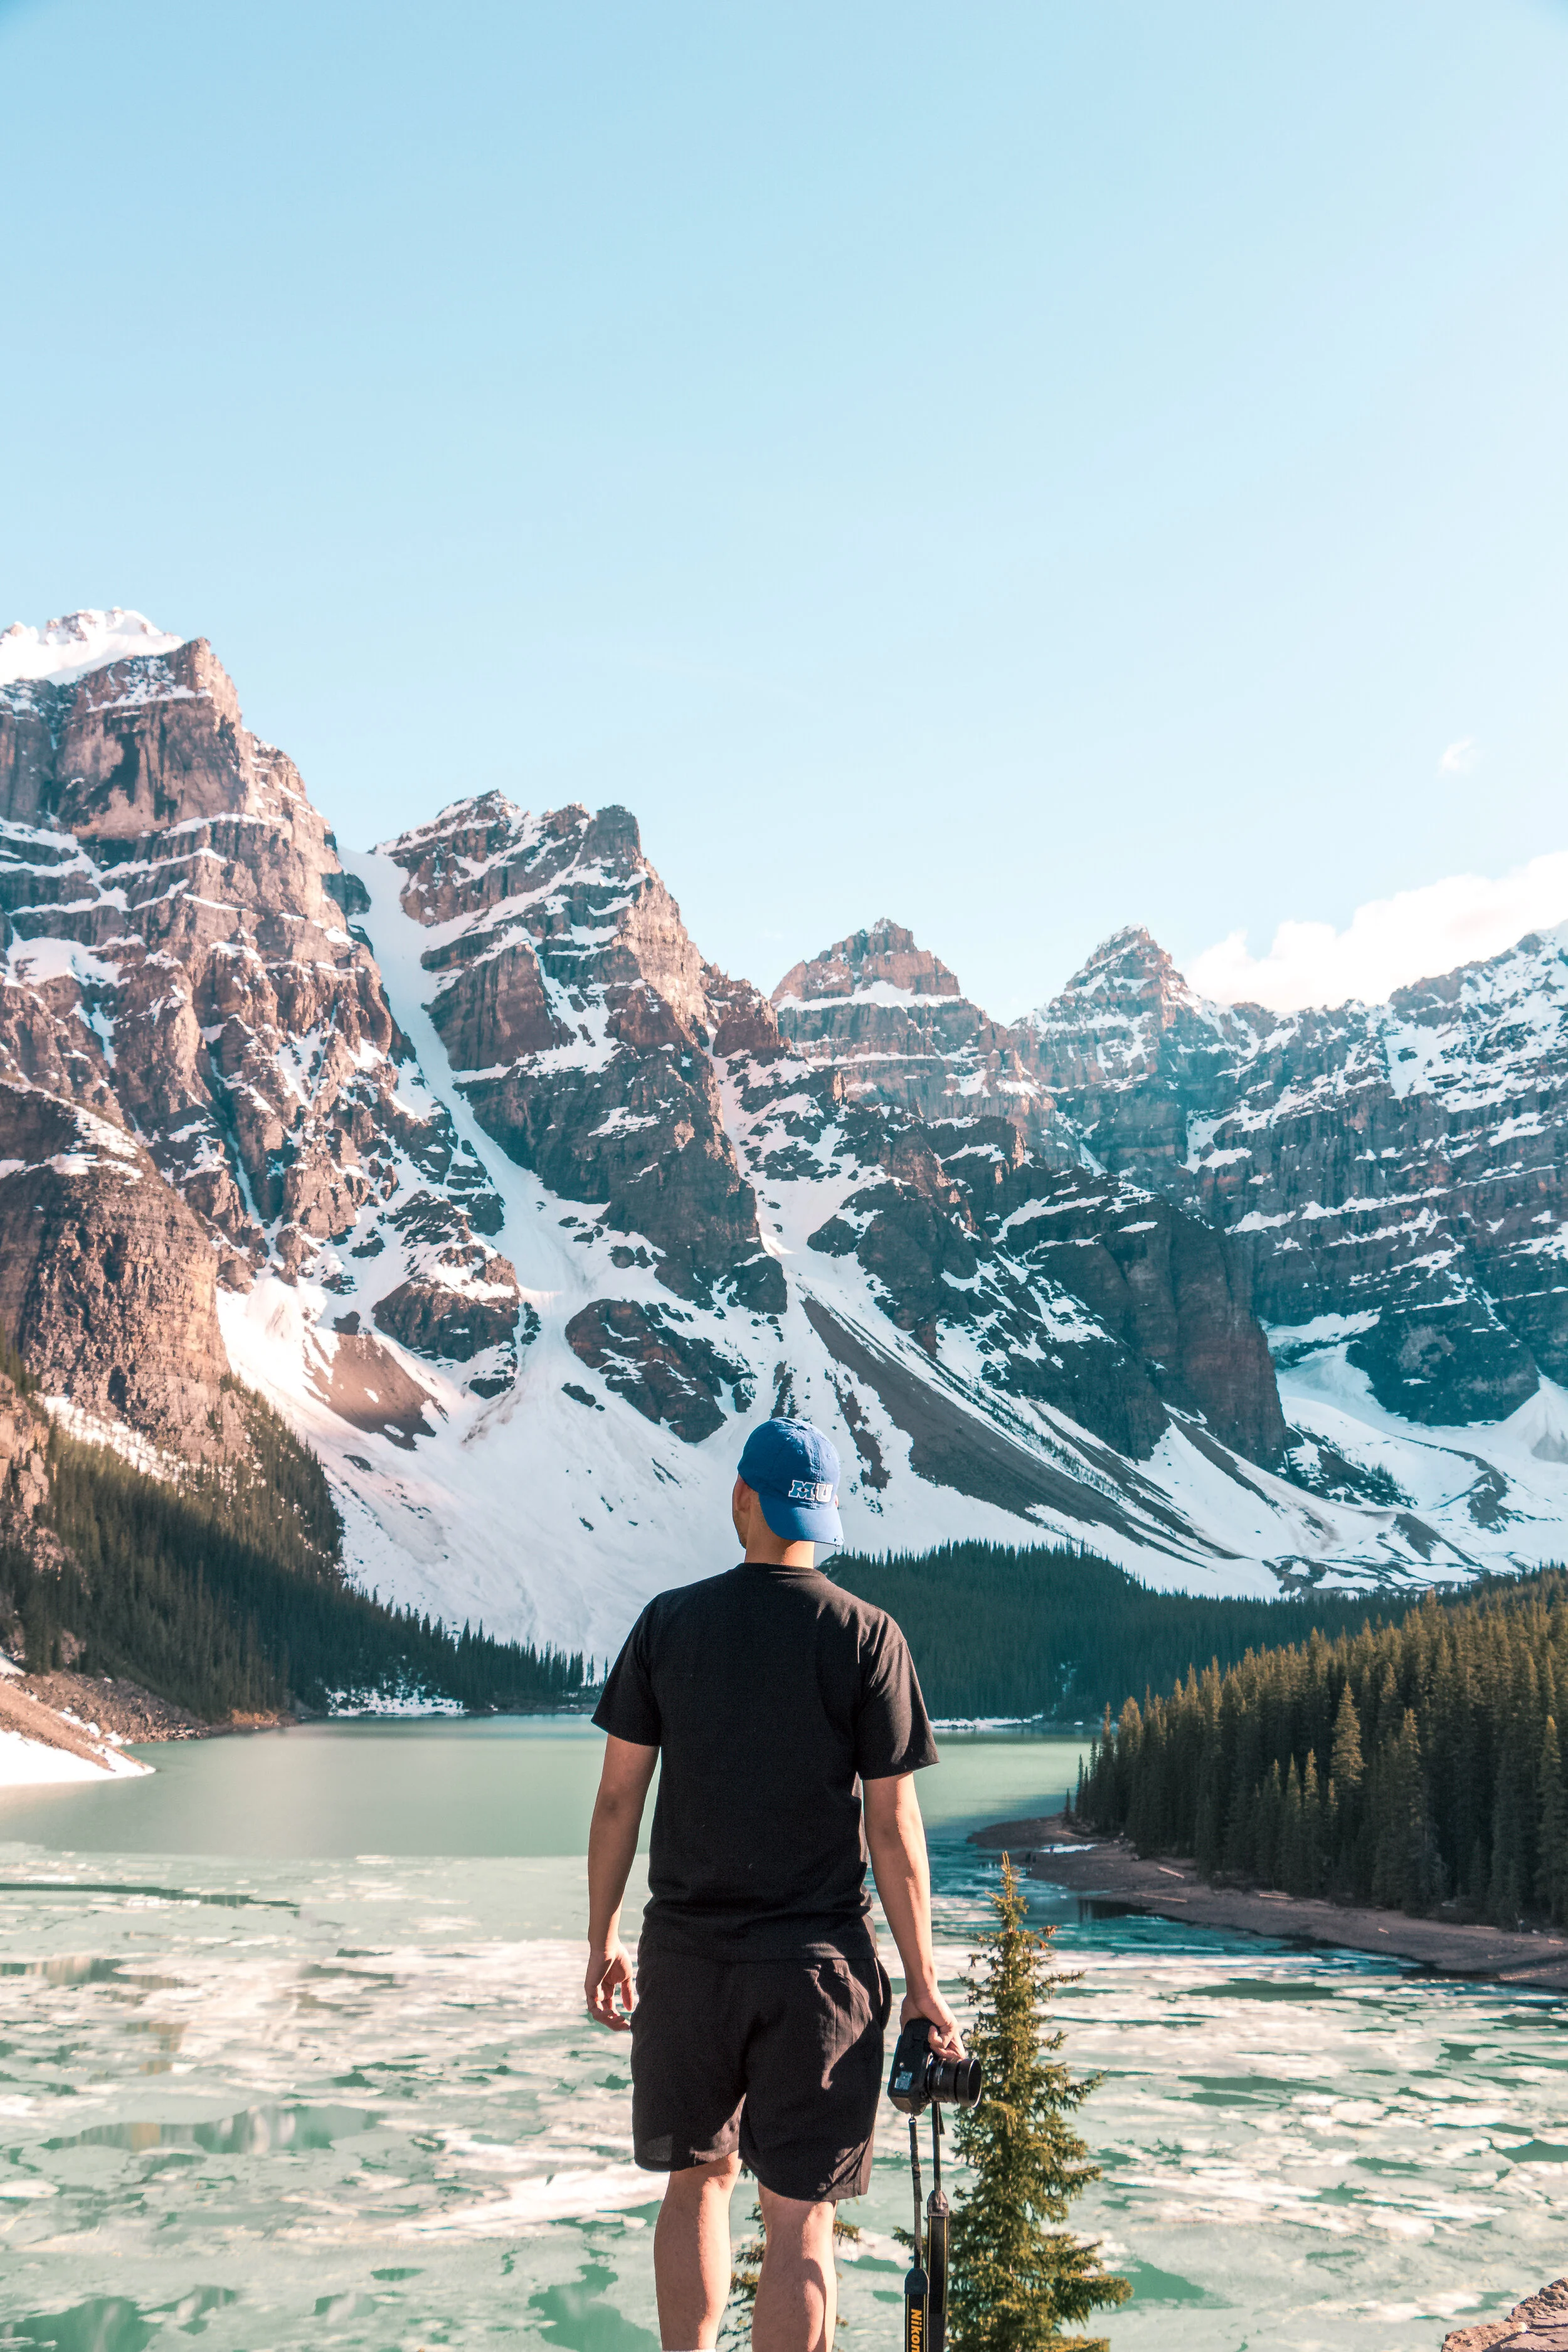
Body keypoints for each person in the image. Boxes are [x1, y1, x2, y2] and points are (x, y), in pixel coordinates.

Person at [585, 1416, 962, 2352]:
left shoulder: (669, 1623)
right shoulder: (867, 1635)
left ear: (742, 1499)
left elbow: (617, 1799)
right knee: (800, 2219)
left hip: (688, 1961)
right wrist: (921, 1980)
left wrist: (600, 1937)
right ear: (822, 1518)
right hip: (819, 1973)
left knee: (696, 2183)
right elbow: (893, 1828)